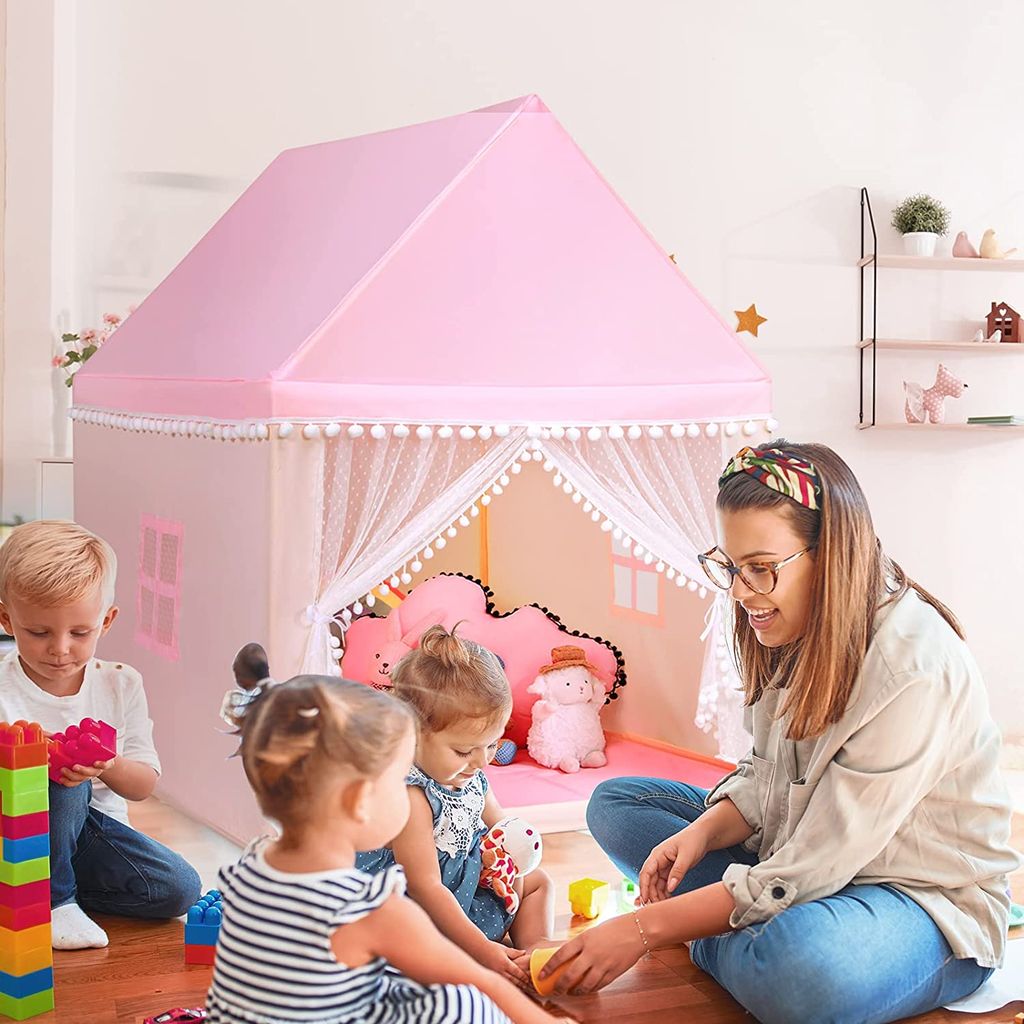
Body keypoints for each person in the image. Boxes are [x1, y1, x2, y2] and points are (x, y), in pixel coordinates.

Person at [540, 441, 1021, 1024]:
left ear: (832, 554)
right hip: (800, 859)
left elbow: (819, 859)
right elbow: (765, 775)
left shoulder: (911, 668)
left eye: (761, 568)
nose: (742, 592)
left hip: (915, 901)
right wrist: (703, 832)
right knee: (618, 804)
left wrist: (643, 929)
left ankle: (725, 932)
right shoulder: (791, 624)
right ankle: (736, 931)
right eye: (733, 567)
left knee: (804, 972)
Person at [208, 671, 567, 1024]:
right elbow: (478, 979)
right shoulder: (372, 908)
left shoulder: (252, 862)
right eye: (400, 781)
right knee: (460, 1001)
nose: (412, 789)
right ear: (359, 801)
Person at [0, 520, 200, 949]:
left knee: (181, 888)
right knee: (59, 779)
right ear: (7, 620)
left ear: (106, 621)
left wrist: (105, 764)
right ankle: (54, 902)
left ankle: (43, 888)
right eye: (39, 632)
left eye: (80, 632)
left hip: (93, 835)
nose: (60, 648)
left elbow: (144, 785)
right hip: (16, 831)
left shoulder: (121, 683)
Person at [358, 625, 555, 984]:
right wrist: (481, 948)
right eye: (464, 750)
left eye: (493, 744)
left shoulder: (470, 771)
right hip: (418, 903)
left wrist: (508, 853)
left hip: (464, 881)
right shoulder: (411, 795)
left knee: (538, 882)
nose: (482, 761)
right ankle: (476, 955)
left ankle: (533, 947)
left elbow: (500, 826)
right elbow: (425, 885)